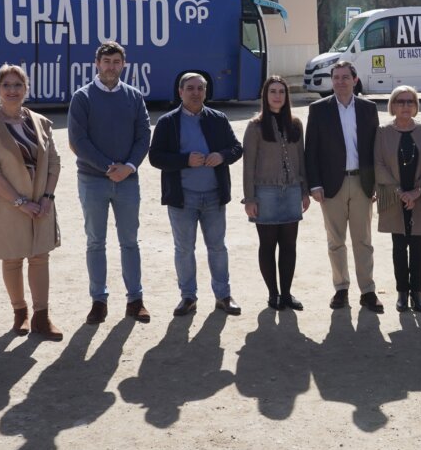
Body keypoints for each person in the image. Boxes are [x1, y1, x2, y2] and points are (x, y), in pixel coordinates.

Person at [0, 64, 63, 340]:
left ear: (26, 88)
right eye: (6, 85)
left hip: (42, 203)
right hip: (9, 204)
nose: (12, 90)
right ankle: (20, 312)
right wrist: (20, 202)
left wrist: (47, 198)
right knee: (13, 259)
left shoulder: (41, 122)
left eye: (18, 85)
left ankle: (41, 316)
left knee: (40, 257)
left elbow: (55, 163)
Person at [68, 41, 151, 325]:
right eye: (106, 62)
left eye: (116, 61)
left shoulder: (134, 96)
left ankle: (135, 300)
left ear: (123, 65)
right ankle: (98, 301)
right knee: (95, 242)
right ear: (97, 64)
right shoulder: (83, 97)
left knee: (130, 242)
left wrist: (127, 167)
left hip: (127, 181)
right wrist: (107, 168)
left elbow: (143, 136)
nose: (111, 67)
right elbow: (78, 141)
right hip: (93, 181)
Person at [150, 72, 244, 317]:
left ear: (206, 91)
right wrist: (184, 160)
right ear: (180, 92)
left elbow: (236, 148)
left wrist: (222, 156)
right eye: (190, 88)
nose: (195, 93)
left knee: (217, 248)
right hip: (182, 198)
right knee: (184, 249)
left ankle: (223, 296)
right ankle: (188, 297)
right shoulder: (167, 122)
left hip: (214, 195)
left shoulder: (218, 119)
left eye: (200, 88)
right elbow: (155, 157)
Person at [304, 60, 383, 312]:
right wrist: (314, 184)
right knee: (335, 241)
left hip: (362, 183)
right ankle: (341, 288)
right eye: (336, 77)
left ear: (354, 79)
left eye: (345, 77)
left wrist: (377, 184)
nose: (340, 81)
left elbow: (375, 148)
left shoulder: (368, 108)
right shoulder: (318, 109)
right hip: (330, 186)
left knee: (364, 241)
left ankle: (368, 291)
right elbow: (311, 151)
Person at [242, 75, 310, 311]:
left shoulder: (296, 124)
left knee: (289, 245)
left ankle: (287, 294)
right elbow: (248, 164)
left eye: (281, 92)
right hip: (266, 192)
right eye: (273, 91)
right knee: (268, 245)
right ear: (266, 95)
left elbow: (301, 158)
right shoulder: (255, 126)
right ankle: (273, 294)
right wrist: (249, 198)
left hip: (291, 190)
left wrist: (304, 190)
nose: (277, 96)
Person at [374, 85, 421, 313]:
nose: (406, 106)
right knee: (398, 245)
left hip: (420, 196)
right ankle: (402, 292)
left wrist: (416, 192)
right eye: (400, 101)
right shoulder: (382, 132)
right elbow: (378, 164)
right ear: (393, 105)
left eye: (410, 101)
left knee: (418, 246)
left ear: (416, 105)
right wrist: (400, 192)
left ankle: (417, 293)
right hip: (393, 196)